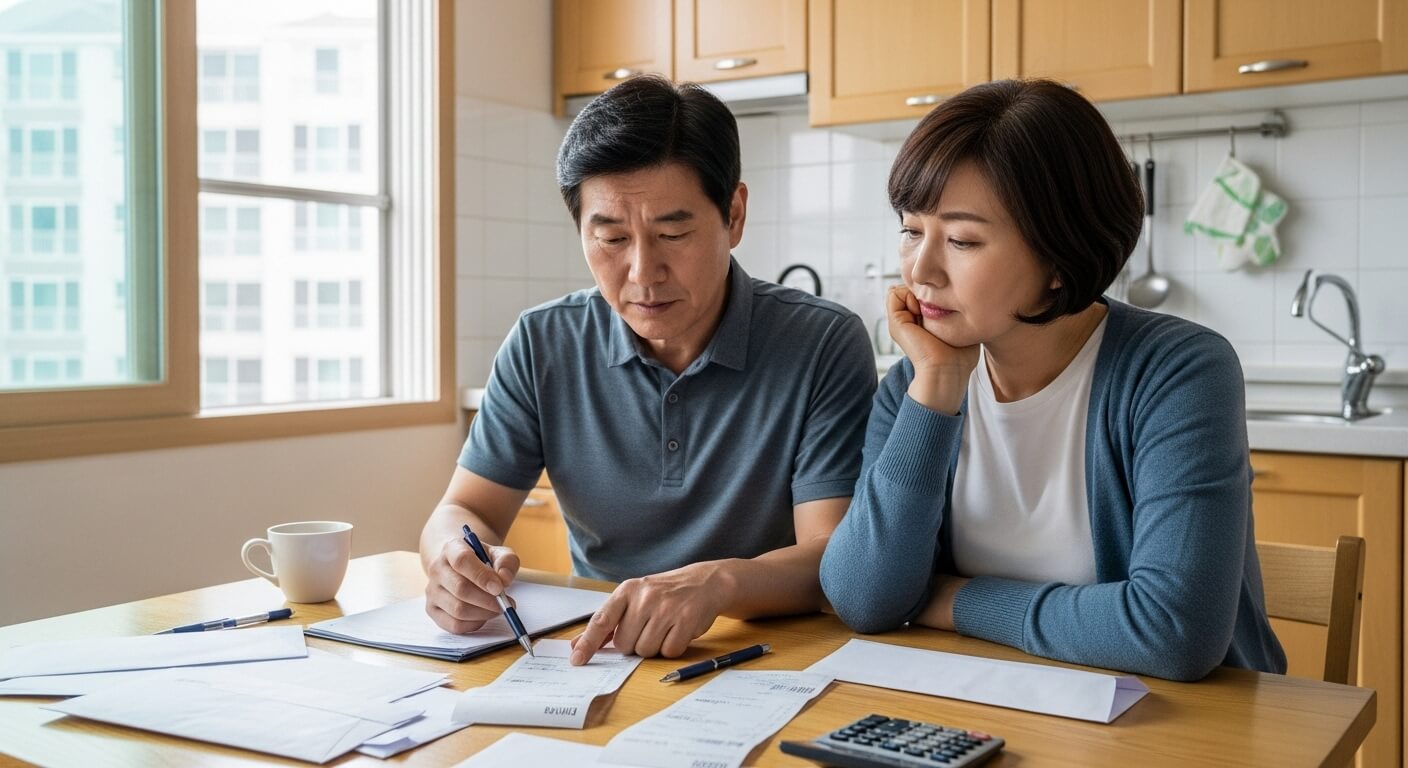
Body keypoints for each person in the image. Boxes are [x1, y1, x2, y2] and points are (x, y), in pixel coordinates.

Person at [819, 79, 1285, 682]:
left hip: (1190, 728)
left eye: (962, 239)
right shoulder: (915, 383)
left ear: (1059, 259)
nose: (920, 269)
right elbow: (862, 599)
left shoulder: (1179, 372)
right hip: (1004, 704)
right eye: (911, 230)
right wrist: (936, 386)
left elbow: (1174, 631)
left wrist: (950, 600)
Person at [421, 75, 876, 665]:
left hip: (762, 653)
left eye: (673, 233)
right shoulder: (542, 342)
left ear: (734, 215)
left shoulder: (821, 341)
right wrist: (450, 562)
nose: (642, 272)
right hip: (596, 652)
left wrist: (717, 584)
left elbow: (832, 558)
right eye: (610, 237)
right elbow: (464, 513)